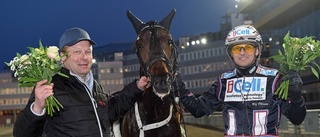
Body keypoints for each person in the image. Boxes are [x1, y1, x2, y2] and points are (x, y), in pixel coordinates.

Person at [13, 27, 149, 137]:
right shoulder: (51, 86)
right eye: (77, 52)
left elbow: (111, 111)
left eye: (88, 52)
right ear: (63, 56)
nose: (84, 57)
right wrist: (37, 108)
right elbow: (21, 134)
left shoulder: (95, 86)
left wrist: (137, 87)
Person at [174, 25, 307, 136]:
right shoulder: (223, 82)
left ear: (257, 51)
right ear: (230, 53)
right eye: (237, 48)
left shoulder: (274, 79)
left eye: (248, 47)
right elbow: (198, 110)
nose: (242, 52)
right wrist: (178, 83)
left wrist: (296, 97)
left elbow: (297, 118)